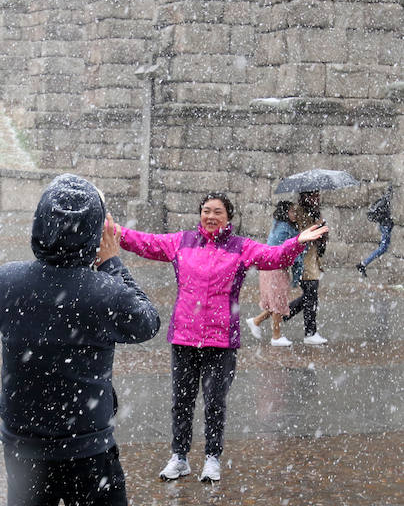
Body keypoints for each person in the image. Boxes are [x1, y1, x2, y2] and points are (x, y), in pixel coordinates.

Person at [0, 174, 161, 506]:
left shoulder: (8, 280)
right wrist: (112, 260)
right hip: (86, 447)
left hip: (25, 444)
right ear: (95, 233)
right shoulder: (105, 291)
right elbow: (147, 321)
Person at [116, 192, 327, 483]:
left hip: (221, 340)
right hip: (185, 337)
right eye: (206, 211)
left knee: (215, 402)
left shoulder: (240, 248)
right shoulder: (182, 241)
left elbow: (273, 257)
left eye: (217, 211)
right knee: (181, 401)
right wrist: (113, 231)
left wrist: (296, 243)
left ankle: (212, 458)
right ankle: (179, 457)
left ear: (228, 217)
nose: (211, 216)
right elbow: (145, 243)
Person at [246, 201, 301, 347]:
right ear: (285, 212)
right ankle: (276, 337)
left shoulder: (280, 225)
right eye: (291, 211)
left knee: (275, 302)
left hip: (270, 267)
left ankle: (256, 321)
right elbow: (288, 250)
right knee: (278, 301)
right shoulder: (284, 229)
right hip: (274, 268)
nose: (294, 214)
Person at [283, 190, 329, 345]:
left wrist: (322, 229)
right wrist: (316, 227)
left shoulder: (315, 211)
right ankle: (310, 332)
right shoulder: (299, 211)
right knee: (311, 295)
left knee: (310, 296)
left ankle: (283, 313)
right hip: (303, 260)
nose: (316, 198)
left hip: (313, 259)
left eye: (317, 195)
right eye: (313, 195)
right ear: (305, 196)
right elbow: (301, 234)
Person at [357, 185, 394, 278]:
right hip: (385, 226)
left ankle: (363, 264)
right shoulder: (386, 201)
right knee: (383, 248)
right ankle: (363, 264)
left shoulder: (384, 200)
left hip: (384, 226)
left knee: (383, 248)